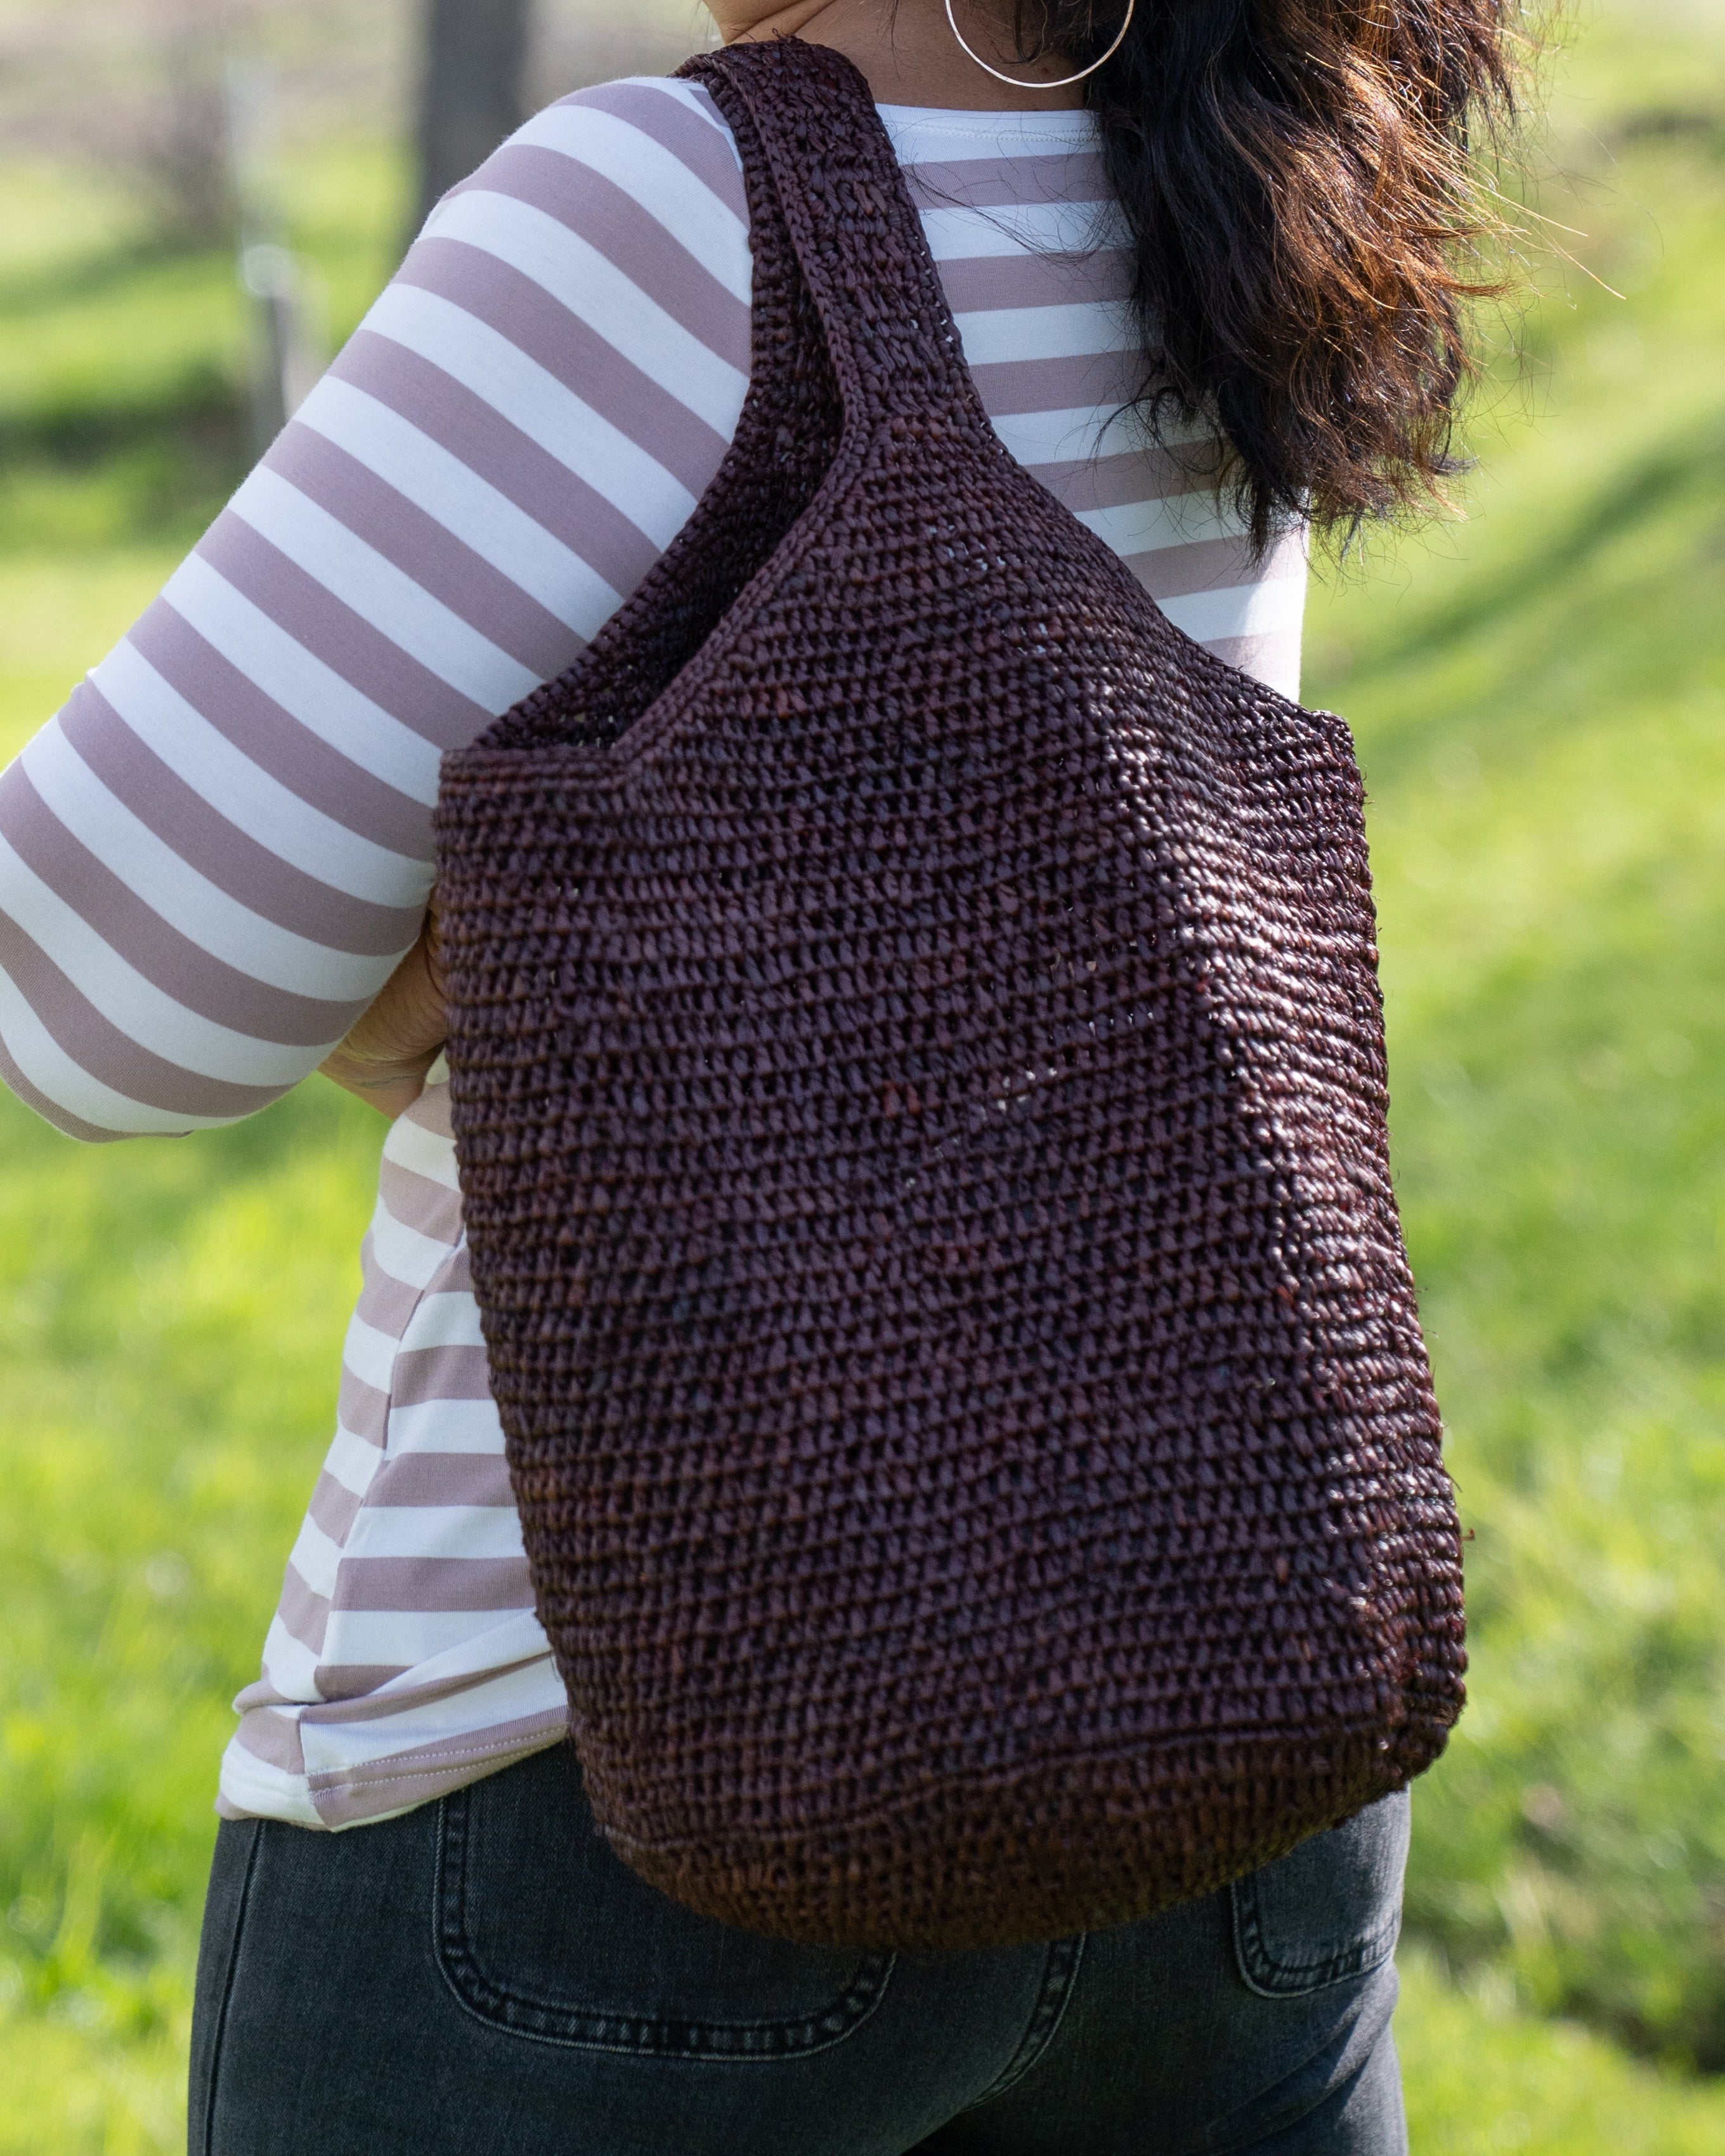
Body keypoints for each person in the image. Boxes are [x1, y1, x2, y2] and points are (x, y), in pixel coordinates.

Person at [0, 3, 1518, 2148]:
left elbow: (93, 998)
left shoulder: (654, 215)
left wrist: (458, 962)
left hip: (603, 1792)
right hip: (1228, 1701)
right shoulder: (1247, 156)